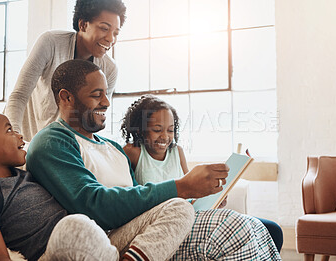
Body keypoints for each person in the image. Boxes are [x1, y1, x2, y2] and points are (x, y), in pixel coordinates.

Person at [26, 59, 282, 260]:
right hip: (108, 237)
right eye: (96, 94)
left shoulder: (111, 147)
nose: (106, 101)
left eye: (106, 93)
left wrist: (197, 195)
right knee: (233, 229)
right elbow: (94, 205)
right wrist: (181, 187)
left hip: (146, 227)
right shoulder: (53, 141)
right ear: (66, 97)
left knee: (259, 229)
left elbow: (138, 194)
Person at [0, 110, 194, 261]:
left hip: (98, 241)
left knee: (179, 207)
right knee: (74, 224)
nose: (19, 134)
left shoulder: (27, 174)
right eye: (9, 130)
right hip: (54, 250)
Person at [121, 94, 284, 252]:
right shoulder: (133, 152)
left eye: (170, 130)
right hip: (168, 223)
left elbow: (191, 191)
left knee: (272, 230)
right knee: (245, 230)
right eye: (157, 130)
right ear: (141, 130)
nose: (165, 136)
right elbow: (130, 199)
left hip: (191, 213)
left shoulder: (177, 152)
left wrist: (213, 199)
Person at [5, 0, 126, 141]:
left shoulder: (109, 69)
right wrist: (14, 137)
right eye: (104, 29)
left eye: (116, 33)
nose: (111, 39)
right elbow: (19, 96)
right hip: (25, 139)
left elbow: (96, 117)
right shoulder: (51, 43)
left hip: (64, 147)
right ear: (83, 25)